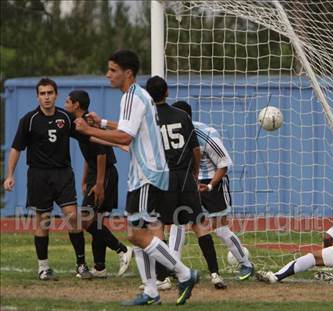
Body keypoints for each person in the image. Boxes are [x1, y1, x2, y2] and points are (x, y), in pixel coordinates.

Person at [73, 49, 198, 306]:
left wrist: (88, 129)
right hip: (148, 173)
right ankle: (151, 291)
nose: (108, 75)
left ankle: (185, 273)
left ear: (127, 73)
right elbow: (129, 127)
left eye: (113, 70)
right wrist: (103, 122)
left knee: (135, 235)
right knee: (143, 233)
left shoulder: (132, 97)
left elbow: (125, 138)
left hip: (146, 174)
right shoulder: (139, 96)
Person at [3, 78, 91, 280]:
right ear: (38, 96)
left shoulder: (66, 117)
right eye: (42, 93)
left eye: (50, 93)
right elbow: (16, 148)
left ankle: (81, 265)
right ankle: (43, 268)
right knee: (42, 220)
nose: (46, 97)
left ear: (56, 94)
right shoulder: (29, 119)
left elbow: (86, 136)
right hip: (38, 175)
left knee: (72, 216)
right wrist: (9, 175)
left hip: (63, 174)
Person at [145, 76, 227, 290]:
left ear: (148, 95)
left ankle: (162, 279)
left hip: (163, 178)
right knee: (200, 225)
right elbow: (195, 149)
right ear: (167, 93)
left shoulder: (148, 118)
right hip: (185, 177)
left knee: (158, 226)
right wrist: (194, 173)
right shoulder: (181, 115)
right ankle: (215, 274)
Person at [172, 100, 254, 281]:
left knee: (220, 229)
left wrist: (209, 186)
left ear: (185, 119)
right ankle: (174, 267)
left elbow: (223, 165)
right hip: (188, 182)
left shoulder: (207, 134)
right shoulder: (172, 136)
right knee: (177, 223)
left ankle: (246, 263)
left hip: (212, 182)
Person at [64, 90, 133, 278]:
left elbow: (101, 153)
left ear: (76, 104)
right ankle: (100, 268)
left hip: (105, 174)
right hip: (98, 174)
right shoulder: (81, 123)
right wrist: (85, 178)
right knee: (97, 221)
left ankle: (122, 249)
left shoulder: (86, 122)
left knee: (84, 220)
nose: (65, 105)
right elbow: (90, 154)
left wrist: (100, 183)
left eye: (67, 102)